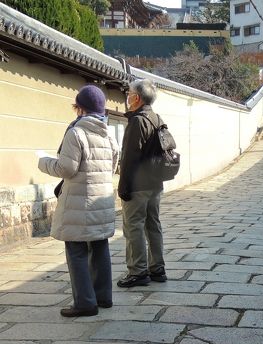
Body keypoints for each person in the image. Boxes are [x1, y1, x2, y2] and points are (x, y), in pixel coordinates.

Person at [38, 85, 119, 317]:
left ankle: (85, 303)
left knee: (76, 249)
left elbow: (67, 168)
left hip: (79, 204)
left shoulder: (77, 133)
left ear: (80, 108)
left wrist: (43, 161)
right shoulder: (108, 134)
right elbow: (112, 166)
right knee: (100, 246)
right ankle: (103, 297)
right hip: (101, 203)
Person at [117, 79, 167, 288]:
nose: (127, 97)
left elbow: (129, 157)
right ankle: (157, 268)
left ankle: (137, 271)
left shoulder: (137, 121)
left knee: (134, 226)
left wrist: (123, 186)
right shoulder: (157, 118)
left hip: (138, 184)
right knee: (153, 225)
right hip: (155, 183)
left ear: (136, 98)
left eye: (128, 93)